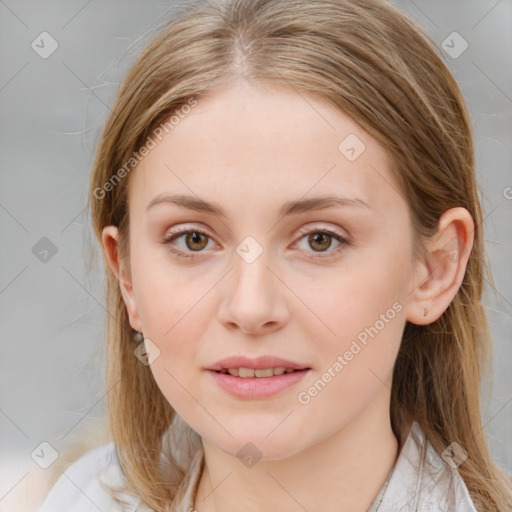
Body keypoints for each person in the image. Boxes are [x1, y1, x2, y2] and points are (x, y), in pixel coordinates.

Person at [39, 0, 512, 510]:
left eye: (320, 240)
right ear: (126, 274)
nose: (251, 308)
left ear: (435, 269)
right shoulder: (78, 496)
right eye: (193, 239)